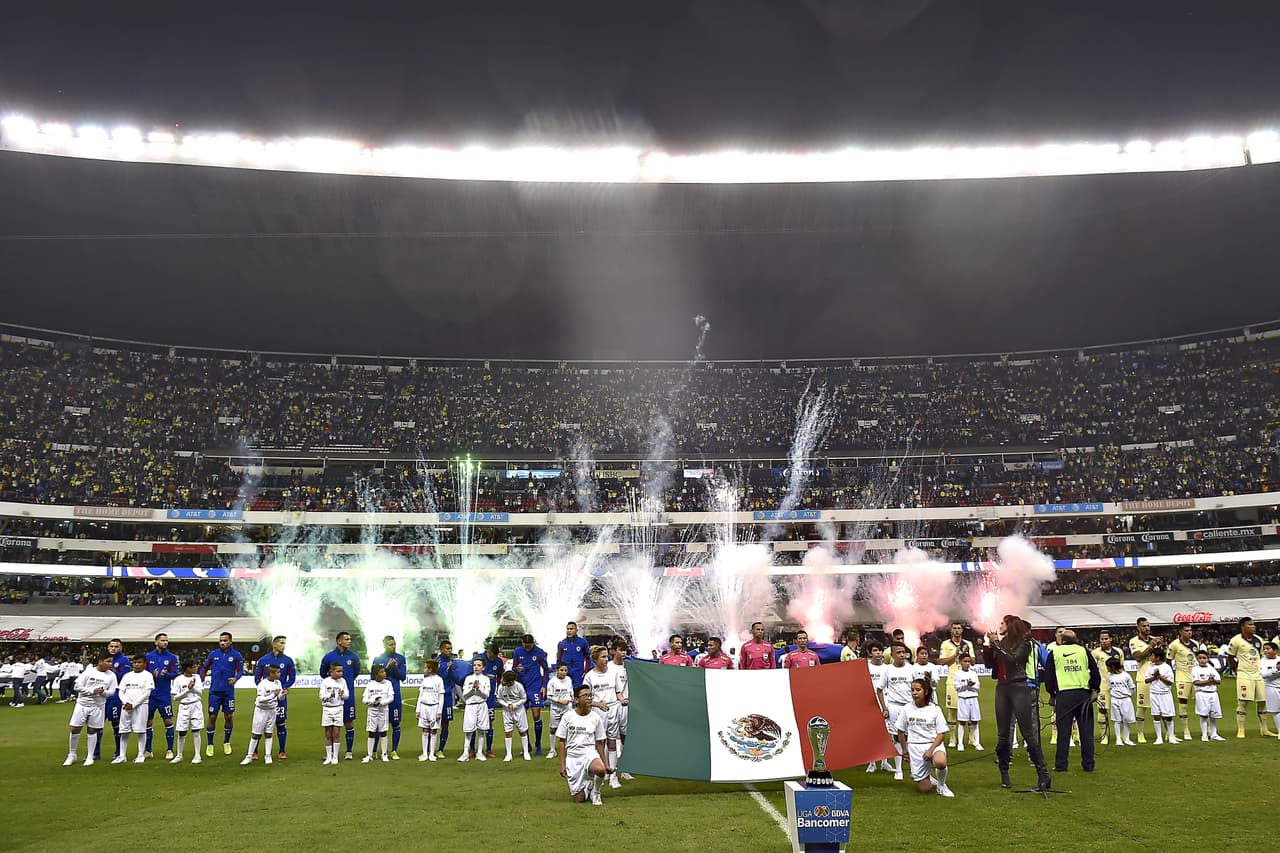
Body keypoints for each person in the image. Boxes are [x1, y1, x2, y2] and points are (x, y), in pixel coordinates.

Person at [982, 615, 1052, 791]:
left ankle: (1043, 774)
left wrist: (997, 644)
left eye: (1002, 623)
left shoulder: (1025, 643)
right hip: (1003, 688)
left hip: (1019, 687)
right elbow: (990, 664)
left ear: (1010, 626)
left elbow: (1013, 660)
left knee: (1028, 733)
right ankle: (1004, 773)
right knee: (1003, 735)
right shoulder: (1002, 642)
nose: (999, 625)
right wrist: (988, 647)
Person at [1043, 629, 1100, 772]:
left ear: (1062, 640)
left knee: (1063, 733)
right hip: (1083, 694)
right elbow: (1095, 671)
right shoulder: (1083, 651)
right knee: (1086, 733)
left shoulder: (1054, 653)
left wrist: (1052, 694)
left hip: (1064, 695)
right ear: (1075, 639)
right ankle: (1088, 765)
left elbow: (1048, 676)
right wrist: (1095, 689)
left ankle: (1061, 765)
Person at [893, 676, 954, 797]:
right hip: (915, 747)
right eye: (912, 690)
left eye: (918, 690)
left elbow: (941, 733)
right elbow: (900, 731)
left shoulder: (935, 709)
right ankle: (927, 777)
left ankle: (942, 786)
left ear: (925, 692)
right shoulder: (906, 708)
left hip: (933, 744)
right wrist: (905, 751)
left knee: (940, 762)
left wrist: (931, 750)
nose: (914, 693)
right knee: (925, 789)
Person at [556, 684, 609, 806]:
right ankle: (587, 786)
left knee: (600, 770)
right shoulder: (568, 717)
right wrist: (562, 764)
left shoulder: (596, 718)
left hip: (589, 754)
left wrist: (605, 764)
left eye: (590, 695)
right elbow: (562, 741)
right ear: (576, 700)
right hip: (573, 758)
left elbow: (599, 743)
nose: (589, 698)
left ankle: (596, 792)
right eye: (585, 695)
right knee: (580, 799)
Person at [64, 652, 118, 767]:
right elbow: (76, 686)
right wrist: (91, 691)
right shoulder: (89, 672)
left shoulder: (111, 676)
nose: (110, 664)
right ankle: (72, 754)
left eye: (111, 661)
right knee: (75, 728)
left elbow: (113, 691)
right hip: (82, 704)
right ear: (100, 661)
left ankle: (90, 756)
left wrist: (104, 692)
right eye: (108, 661)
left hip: (98, 706)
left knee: (92, 730)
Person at [1226, 617, 1275, 738]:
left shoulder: (1259, 640)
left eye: (1254, 624)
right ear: (1243, 627)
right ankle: (1241, 730)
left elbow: (1261, 656)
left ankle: (1264, 729)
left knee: (1263, 701)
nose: (1254, 627)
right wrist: (1237, 669)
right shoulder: (1236, 640)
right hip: (1244, 674)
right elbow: (1230, 657)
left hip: (1258, 674)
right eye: (1250, 625)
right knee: (1243, 701)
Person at [583, 647, 624, 788]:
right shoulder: (589, 676)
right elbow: (585, 698)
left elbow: (618, 692)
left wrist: (622, 700)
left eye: (607, 656)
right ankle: (602, 771)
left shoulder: (613, 673)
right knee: (600, 743)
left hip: (613, 710)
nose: (606, 659)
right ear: (595, 659)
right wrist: (598, 704)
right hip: (597, 712)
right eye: (603, 657)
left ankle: (613, 776)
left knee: (612, 742)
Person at [200, 632, 244, 758]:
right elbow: (204, 667)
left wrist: (236, 678)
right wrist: (201, 678)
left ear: (230, 641)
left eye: (225, 640)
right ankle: (210, 744)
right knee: (212, 717)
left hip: (228, 692)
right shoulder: (214, 654)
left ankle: (226, 742)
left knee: (229, 716)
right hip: (214, 691)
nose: (222, 643)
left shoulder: (236, 655)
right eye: (220, 640)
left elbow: (240, 670)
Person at [319, 631, 361, 760]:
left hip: (347, 695)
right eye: (346, 639)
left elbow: (356, 672)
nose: (349, 641)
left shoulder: (353, 657)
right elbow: (323, 673)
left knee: (349, 722)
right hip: (332, 699)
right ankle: (330, 753)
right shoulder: (329, 656)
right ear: (339, 641)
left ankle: (349, 751)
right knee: (331, 727)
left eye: (350, 639)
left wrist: (344, 685)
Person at [254, 635, 296, 759]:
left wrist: (284, 688)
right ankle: (255, 752)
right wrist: (263, 689)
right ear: (274, 645)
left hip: (280, 698)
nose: (284, 645)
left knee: (280, 723)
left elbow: (292, 677)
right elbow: (257, 677)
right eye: (281, 643)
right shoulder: (263, 660)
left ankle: (282, 751)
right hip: (266, 698)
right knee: (261, 724)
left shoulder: (288, 660)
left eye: (284, 643)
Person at [510, 633, 550, 755]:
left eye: (529, 645)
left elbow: (546, 669)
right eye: (525, 645)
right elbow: (513, 668)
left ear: (533, 643)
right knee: (522, 718)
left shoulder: (539, 652)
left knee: (536, 715)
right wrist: (517, 669)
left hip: (535, 686)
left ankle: (538, 745)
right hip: (522, 687)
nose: (527, 648)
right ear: (522, 643)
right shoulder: (517, 652)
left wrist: (544, 685)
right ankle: (526, 745)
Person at [879, 643, 914, 780]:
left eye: (903, 652)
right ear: (892, 655)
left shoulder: (911, 669)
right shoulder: (887, 670)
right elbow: (880, 689)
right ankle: (898, 770)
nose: (901, 655)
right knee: (897, 738)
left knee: (911, 737)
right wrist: (885, 707)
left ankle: (913, 769)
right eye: (898, 652)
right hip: (894, 706)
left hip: (909, 706)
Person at [937, 621, 975, 748]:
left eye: (959, 628)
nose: (957, 630)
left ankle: (971, 738)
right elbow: (941, 661)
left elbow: (973, 662)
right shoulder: (946, 644)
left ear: (962, 630)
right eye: (955, 628)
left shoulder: (968, 644)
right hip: (953, 681)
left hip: (967, 680)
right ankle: (953, 739)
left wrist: (967, 653)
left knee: (969, 710)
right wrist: (955, 654)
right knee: (952, 710)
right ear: (951, 631)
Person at [371, 635, 407, 760]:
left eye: (394, 644)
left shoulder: (400, 658)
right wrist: (386, 668)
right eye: (390, 644)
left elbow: (403, 676)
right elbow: (372, 677)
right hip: (380, 696)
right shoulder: (378, 659)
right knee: (376, 725)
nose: (393, 646)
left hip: (395, 696)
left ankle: (394, 750)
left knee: (395, 723)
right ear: (384, 645)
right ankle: (374, 750)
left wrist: (395, 668)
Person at [145, 632, 180, 760]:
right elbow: (143, 673)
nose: (165, 642)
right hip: (150, 695)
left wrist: (166, 674)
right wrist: (151, 675)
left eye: (166, 640)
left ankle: (170, 750)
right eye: (162, 640)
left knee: (168, 720)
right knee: (148, 721)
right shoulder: (148, 657)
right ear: (156, 642)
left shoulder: (171, 657)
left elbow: (175, 673)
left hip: (164, 695)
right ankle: (148, 750)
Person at [115, 654, 155, 764]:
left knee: (141, 730)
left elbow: (147, 693)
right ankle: (122, 756)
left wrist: (134, 704)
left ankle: (140, 755)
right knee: (124, 730)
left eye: (139, 662)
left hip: (141, 706)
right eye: (135, 662)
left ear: (144, 663)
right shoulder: (127, 676)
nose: (136, 665)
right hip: (126, 706)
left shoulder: (147, 675)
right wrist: (125, 702)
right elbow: (121, 691)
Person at [241, 664, 284, 766]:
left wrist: (283, 695)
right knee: (256, 734)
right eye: (277, 672)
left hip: (272, 710)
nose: (279, 674)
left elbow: (280, 698)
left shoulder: (278, 683)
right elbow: (260, 699)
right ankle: (249, 756)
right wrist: (273, 694)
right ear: (271, 673)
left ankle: (267, 755)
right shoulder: (262, 684)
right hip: (261, 711)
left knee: (269, 733)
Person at [1128, 617, 1161, 744]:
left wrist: (1159, 646)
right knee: (1141, 707)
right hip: (1143, 678)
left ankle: (1166, 733)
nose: (1146, 628)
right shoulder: (1134, 641)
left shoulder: (1154, 639)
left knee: (1161, 706)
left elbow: (1161, 657)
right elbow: (1138, 657)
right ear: (1138, 627)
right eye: (1143, 626)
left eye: (1148, 625)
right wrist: (1151, 646)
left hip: (1157, 678)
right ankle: (1140, 734)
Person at [96, 638, 130, 760]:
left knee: (116, 724)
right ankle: (95, 752)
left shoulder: (124, 660)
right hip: (101, 696)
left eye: (116, 646)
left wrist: (111, 669)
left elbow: (123, 677)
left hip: (115, 696)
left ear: (120, 648)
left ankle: (119, 752)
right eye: (111, 646)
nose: (113, 649)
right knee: (97, 725)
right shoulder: (102, 659)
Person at [1090, 630, 1124, 745]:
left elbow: (1122, 668)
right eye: (1102, 639)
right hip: (1103, 685)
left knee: (1120, 710)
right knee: (1102, 709)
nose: (1104, 641)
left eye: (1106, 639)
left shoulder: (1118, 651)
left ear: (1111, 639)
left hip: (1117, 686)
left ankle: (1122, 736)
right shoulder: (1095, 653)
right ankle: (1103, 736)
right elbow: (1093, 670)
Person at [1166, 622, 1198, 741]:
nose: (1189, 632)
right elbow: (1168, 661)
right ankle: (1186, 730)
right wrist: (1171, 676)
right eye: (1186, 630)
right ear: (1180, 632)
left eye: (1190, 630)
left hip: (1195, 677)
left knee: (1201, 702)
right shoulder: (1174, 645)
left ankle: (1207, 729)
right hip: (1182, 677)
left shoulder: (1195, 644)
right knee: (1183, 703)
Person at [608, 640, 634, 781]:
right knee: (608, 738)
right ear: (613, 651)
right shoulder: (608, 667)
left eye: (625, 650)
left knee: (625, 737)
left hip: (625, 705)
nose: (623, 653)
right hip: (611, 706)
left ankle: (625, 768)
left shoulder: (628, 667)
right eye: (620, 650)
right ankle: (608, 769)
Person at [170, 660, 204, 764]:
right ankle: (179, 755)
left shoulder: (197, 677)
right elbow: (175, 697)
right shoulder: (178, 680)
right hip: (184, 706)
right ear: (188, 668)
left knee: (196, 730)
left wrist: (192, 689)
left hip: (196, 705)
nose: (196, 668)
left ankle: (197, 755)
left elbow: (200, 693)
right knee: (181, 731)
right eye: (194, 666)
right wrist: (187, 690)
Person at [458, 658, 491, 762]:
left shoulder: (486, 679)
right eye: (475, 665)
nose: (476, 667)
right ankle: (465, 752)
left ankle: (480, 752)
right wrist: (472, 689)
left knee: (482, 729)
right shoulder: (468, 678)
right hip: (470, 706)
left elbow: (486, 694)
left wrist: (479, 689)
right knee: (468, 730)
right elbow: (464, 694)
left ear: (483, 667)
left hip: (481, 705)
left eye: (479, 665)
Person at [496, 670, 532, 762]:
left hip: (519, 711)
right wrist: (507, 705)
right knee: (508, 732)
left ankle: (526, 752)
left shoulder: (519, 686)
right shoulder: (501, 687)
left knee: (522, 731)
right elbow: (499, 698)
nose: (502, 682)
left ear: (511, 682)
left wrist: (514, 705)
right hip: (507, 711)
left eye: (505, 681)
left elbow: (524, 698)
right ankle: (508, 754)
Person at [477, 642, 506, 757]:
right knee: (475, 722)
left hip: (490, 697)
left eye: (494, 656)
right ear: (487, 652)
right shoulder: (479, 659)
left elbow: (501, 675)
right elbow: (471, 673)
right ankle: (472, 749)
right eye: (490, 655)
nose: (492, 658)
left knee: (490, 722)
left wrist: (499, 683)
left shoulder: (498, 661)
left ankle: (488, 750)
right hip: (478, 695)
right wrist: (484, 676)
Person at [1190, 649, 1226, 741]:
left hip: (1213, 693)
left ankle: (1214, 734)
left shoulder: (1211, 668)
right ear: (1197, 659)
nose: (1202, 660)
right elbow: (1196, 682)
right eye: (1200, 658)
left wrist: (1213, 680)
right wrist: (1208, 681)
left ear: (1207, 659)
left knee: (1213, 715)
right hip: (1202, 693)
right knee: (1204, 715)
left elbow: (1219, 681)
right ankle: (1204, 735)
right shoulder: (1195, 669)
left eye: (1204, 658)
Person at [362, 664, 394, 763]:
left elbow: (391, 697)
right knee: (371, 732)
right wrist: (372, 701)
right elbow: (364, 699)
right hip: (372, 711)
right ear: (376, 675)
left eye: (384, 671)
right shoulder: (370, 685)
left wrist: (381, 702)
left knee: (383, 731)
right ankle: (369, 755)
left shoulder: (388, 683)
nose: (384, 673)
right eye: (382, 672)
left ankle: (384, 754)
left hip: (383, 710)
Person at [1145, 648, 1178, 744]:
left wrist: (1159, 676)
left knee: (1168, 716)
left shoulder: (1167, 667)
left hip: (1165, 694)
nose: (1150, 657)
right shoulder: (1150, 667)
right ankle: (1159, 738)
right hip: (1154, 694)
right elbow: (1146, 680)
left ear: (1157, 657)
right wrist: (1154, 677)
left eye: (1152, 656)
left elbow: (1170, 682)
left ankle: (1171, 736)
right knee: (1156, 716)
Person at [865, 642, 889, 774]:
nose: (878, 653)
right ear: (870, 653)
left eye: (880, 650)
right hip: (869, 702)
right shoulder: (866, 668)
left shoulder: (887, 668)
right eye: (875, 650)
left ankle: (884, 761)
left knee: (886, 732)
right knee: (872, 732)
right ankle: (872, 762)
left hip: (885, 701)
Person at [319, 663, 349, 766]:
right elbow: (321, 696)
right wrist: (329, 695)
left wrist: (342, 695)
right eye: (338, 671)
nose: (341, 673)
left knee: (336, 733)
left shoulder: (343, 681)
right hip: (327, 709)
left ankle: (335, 756)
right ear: (331, 671)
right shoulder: (325, 682)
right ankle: (328, 756)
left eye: (341, 671)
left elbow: (347, 695)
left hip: (338, 708)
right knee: (328, 734)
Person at [434, 640, 460, 757]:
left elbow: (455, 678)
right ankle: (429, 748)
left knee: (445, 723)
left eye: (450, 648)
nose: (449, 651)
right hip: (436, 696)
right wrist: (446, 669)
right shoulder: (435, 662)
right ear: (441, 649)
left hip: (448, 696)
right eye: (447, 648)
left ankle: (440, 749)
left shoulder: (452, 662)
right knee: (432, 723)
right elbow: (436, 678)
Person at [952, 653, 983, 751]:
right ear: (960, 662)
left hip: (973, 698)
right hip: (963, 699)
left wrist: (971, 685)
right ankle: (960, 744)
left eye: (969, 661)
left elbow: (977, 687)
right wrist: (966, 685)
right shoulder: (957, 674)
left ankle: (977, 742)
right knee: (962, 722)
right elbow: (957, 688)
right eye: (965, 661)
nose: (967, 663)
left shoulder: (973, 673)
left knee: (975, 721)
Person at [417, 659, 446, 761]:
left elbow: (441, 697)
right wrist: (418, 709)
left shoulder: (439, 680)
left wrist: (439, 712)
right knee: (424, 729)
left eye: (426, 667)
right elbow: (420, 695)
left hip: (434, 707)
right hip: (424, 707)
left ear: (430, 669)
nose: (424, 669)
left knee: (433, 730)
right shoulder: (425, 680)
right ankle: (425, 753)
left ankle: (432, 754)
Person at [1105, 658, 1137, 746]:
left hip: (1125, 699)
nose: (1107, 669)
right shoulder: (1110, 676)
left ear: (1113, 667)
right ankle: (1118, 739)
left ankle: (1127, 739)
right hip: (1115, 699)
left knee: (1126, 720)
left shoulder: (1126, 675)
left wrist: (1128, 695)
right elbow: (1110, 687)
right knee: (1117, 720)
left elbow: (1132, 687)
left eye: (1108, 667)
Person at [545, 662, 574, 759]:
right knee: (553, 729)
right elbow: (549, 696)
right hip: (556, 708)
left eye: (565, 670)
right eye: (562, 670)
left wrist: (569, 700)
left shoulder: (569, 680)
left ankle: (569, 749)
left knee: (570, 728)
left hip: (567, 708)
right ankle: (552, 750)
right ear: (557, 670)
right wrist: (559, 700)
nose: (564, 672)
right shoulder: (552, 682)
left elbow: (571, 693)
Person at [556, 622, 592, 688]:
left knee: (577, 692)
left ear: (576, 630)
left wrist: (586, 671)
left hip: (578, 673)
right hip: (566, 673)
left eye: (571, 629)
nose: (569, 631)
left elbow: (588, 658)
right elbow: (558, 659)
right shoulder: (562, 643)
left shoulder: (582, 642)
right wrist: (558, 671)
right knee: (566, 692)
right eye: (568, 629)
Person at [1261, 642, 1280, 739]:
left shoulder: (1279, 659)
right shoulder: (1262, 661)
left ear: (1275, 650)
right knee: (1276, 710)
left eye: (1268, 649)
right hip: (1271, 688)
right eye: (1264, 649)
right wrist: (1275, 670)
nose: (1265, 651)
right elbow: (1263, 675)